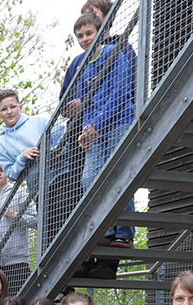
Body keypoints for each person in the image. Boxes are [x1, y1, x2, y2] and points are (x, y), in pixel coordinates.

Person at [68, 10, 136, 278]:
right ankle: (105, 231)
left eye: (89, 33)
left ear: (101, 33)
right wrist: (85, 123)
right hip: (95, 129)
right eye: (80, 36)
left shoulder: (114, 54)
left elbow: (119, 92)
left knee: (119, 177)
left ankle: (125, 233)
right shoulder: (83, 66)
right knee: (89, 179)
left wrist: (97, 123)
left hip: (118, 122)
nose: (84, 39)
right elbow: (88, 102)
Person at [0, 159, 39, 293]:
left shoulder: (20, 193)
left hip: (18, 260)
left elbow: (36, 221)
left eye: (3, 170)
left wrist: (15, 215)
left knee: (19, 302)